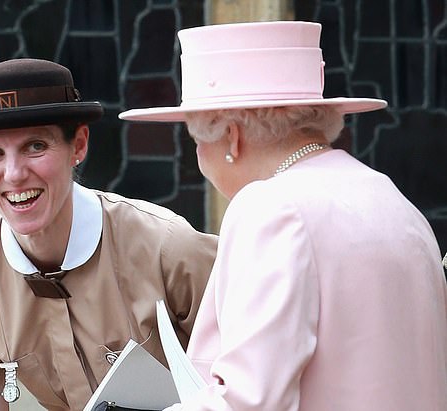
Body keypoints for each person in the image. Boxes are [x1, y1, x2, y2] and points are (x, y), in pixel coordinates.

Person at [120, 21, 447, 411]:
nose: (199, 159)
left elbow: (248, 400)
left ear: (231, 138)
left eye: (196, 141)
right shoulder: (392, 199)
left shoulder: (270, 208)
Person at [0, 58, 218, 410]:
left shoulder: (170, 248)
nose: (14, 174)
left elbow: (255, 384)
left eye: (35, 146)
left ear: (78, 145)